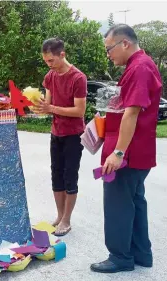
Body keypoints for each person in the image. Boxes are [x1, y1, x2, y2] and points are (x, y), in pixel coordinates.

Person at [90, 24, 162, 273]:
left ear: (125, 44)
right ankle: (142, 253)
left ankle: (120, 256)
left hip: (128, 154)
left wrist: (118, 152)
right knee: (134, 202)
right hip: (138, 151)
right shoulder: (139, 65)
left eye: (109, 48)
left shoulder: (140, 68)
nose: (108, 54)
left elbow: (131, 113)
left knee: (118, 203)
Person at [35, 38, 87, 236]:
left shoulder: (78, 78)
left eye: (51, 61)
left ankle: (67, 220)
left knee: (69, 176)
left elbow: (79, 111)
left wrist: (51, 108)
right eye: (46, 61)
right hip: (56, 132)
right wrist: (39, 106)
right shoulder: (50, 76)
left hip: (73, 135)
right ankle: (59, 216)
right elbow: (48, 107)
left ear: (62, 55)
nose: (49, 65)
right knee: (56, 174)